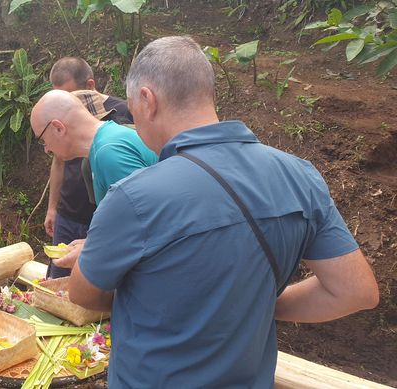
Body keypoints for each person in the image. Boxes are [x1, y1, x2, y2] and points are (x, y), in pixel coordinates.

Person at [68, 36, 380, 388]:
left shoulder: (133, 197)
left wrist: (97, 257)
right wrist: (259, 303)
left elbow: (84, 295)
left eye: (133, 111)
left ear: (147, 100)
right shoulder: (300, 176)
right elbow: (355, 292)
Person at [44, 57, 136, 279]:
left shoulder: (121, 114)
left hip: (100, 217)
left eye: (70, 95)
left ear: (90, 86)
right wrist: (53, 207)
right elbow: (58, 161)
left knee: (93, 280)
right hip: (68, 213)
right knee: (57, 280)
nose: (65, 104)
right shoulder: (59, 118)